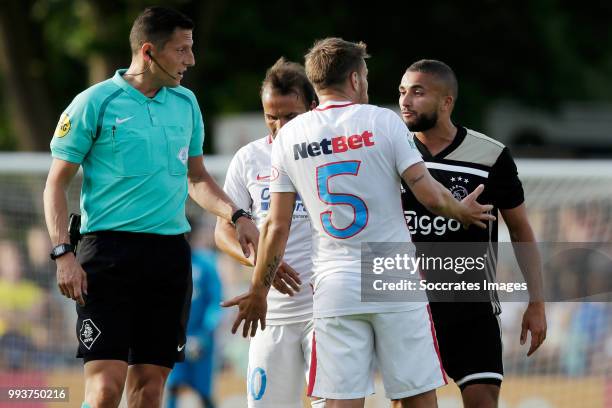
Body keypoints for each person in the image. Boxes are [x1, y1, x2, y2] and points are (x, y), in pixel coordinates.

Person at [223, 38, 495, 408]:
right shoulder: (383, 121)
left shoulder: (289, 137)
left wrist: (258, 290)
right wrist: (463, 211)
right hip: (392, 276)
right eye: (365, 75)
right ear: (354, 78)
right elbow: (428, 193)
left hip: (335, 283)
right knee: (417, 395)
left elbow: (276, 227)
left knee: (341, 401)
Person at [43, 7, 258, 408]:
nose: (190, 60)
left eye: (190, 49)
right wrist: (62, 253)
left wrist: (236, 215)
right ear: (148, 51)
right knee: (106, 389)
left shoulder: (186, 103)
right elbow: (55, 184)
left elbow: (196, 178)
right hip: (106, 256)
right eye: (182, 50)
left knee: (149, 390)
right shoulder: (94, 102)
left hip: (168, 258)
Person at [396, 59, 547, 408]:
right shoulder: (393, 150)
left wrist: (536, 302)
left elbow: (521, 230)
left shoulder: (490, 156)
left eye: (418, 92)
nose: (406, 100)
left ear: (446, 102)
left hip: (470, 307)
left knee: (483, 400)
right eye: (402, 91)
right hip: (409, 307)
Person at [216, 57, 323, 408]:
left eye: (290, 116)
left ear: (312, 106)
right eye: (271, 117)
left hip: (326, 310)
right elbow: (223, 233)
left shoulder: (330, 152)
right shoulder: (248, 159)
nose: (279, 126)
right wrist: (264, 263)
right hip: (270, 313)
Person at [166, 219, 223, 408]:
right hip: (175, 340)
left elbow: (216, 302)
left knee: (203, 391)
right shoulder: (168, 265)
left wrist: (203, 335)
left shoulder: (206, 265)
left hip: (201, 342)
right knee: (173, 386)